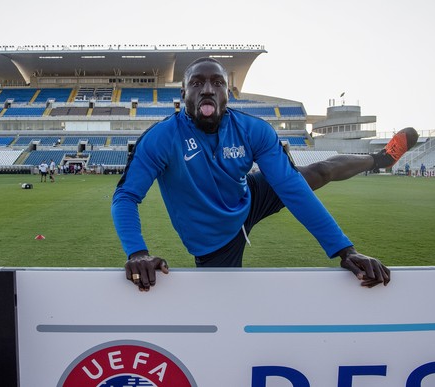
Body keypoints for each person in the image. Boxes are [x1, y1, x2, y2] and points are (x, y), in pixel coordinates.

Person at [111, 57, 419, 292]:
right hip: (215, 238)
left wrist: (344, 250)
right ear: (183, 92)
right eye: (197, 83)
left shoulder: (253, 129)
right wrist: (137, 252)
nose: (207, 89)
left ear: (227, 94)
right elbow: (126, 196)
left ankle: (378, 159)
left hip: (249, 196)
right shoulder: (161, 138)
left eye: (217, 83)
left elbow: (291, 189)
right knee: (225, 302)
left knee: (316, 173)